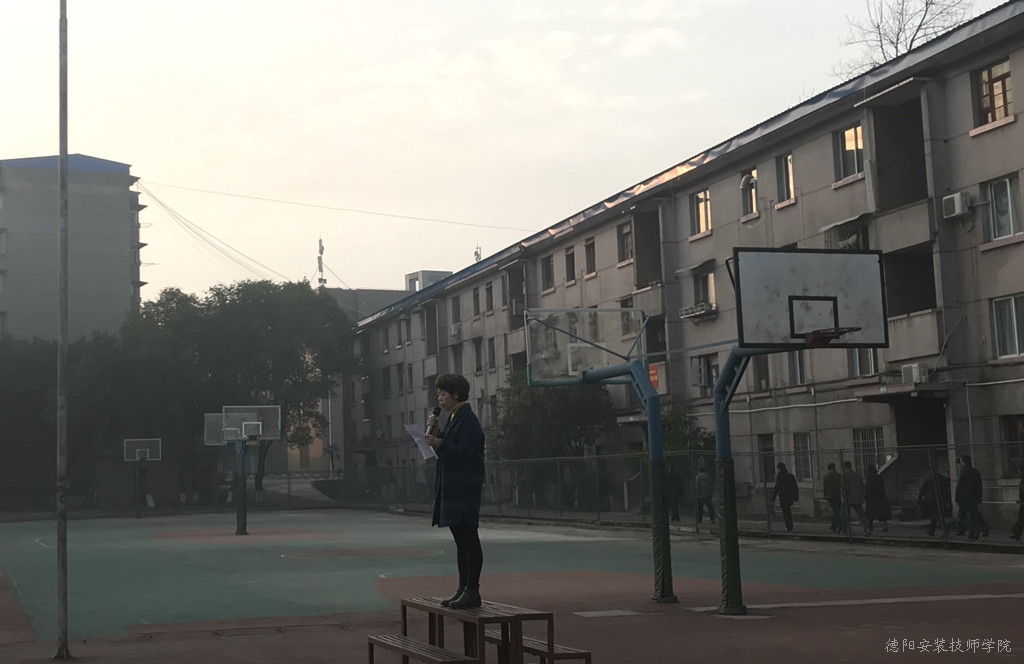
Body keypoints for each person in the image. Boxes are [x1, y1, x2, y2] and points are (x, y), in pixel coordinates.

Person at [424, 374, 486, 609]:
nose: (439, 399)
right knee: (461, 540)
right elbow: (449, 447)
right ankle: (462, 587)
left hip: (464, 487)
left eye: (443, 394)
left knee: (469, 538)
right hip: (453, 486)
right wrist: (437, 434)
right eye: (438, 394)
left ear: (456, 395)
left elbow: (466, 452)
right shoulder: (453, 418)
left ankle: (473, 590)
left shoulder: (468, 420)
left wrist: (438, 443)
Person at [955, 454, 989, 540]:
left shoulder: (963, 471)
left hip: (964, 497)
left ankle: (973, 529)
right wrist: (979, 497)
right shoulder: (975, 471)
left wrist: (957, 498)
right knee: (974, 514)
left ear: (963, 461)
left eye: (961, 461)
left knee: (962, 515)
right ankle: (978, 531)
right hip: (974, 497)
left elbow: (959, 486)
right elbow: (979, 486)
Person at [918, 466, 952, 538]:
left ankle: (945, 530)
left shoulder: (928, 478)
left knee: (937, 515)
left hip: (931, 499)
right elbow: (947, 491)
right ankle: (931, 530)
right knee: (935, 515)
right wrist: (947, 500)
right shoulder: (942, 479)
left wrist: (920, 497)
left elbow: (923, 489)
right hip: (940, 499)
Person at [770, 462, 799, 532]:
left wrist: (773, 497)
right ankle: (790, 526)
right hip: (789, 496)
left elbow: (777, 487)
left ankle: (788, 526)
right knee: (788, 511)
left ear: (779, 469)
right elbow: (795, 487)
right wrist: (796, 497)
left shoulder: (780, 476)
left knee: (785, 512)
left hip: (783, 496)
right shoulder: (791, 476)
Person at [842, 460, 869, 535]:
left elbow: (845, 488)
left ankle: (844, 530)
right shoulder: (857, 475)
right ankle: (867, 529)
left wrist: (844, 497)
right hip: (858, 498)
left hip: (849, 498)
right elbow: (862, 486)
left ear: (845, 467)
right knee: (861, 515)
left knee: (845, 514)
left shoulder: (846, 476)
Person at [864, 464, 891, 533]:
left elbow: (868, 489)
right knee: (883, 513)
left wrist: (866, 496)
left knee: (870, 513)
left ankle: (871, 526)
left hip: (872, 498)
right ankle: (885, 526)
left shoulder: (869, 479)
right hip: (881, 496)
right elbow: (882, 487)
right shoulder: (880, 478)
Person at [822, 462, 844, 533]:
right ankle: (834, 526)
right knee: (836, 511)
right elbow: (842, 485)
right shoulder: (839, 476)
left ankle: (839, 526)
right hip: (838, 495)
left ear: (828, 469)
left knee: (835, 512)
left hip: (830, 496)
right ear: (834, 467)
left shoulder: (826, 477)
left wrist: (825, 495)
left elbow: (824, 487)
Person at [1010, 465, 1024, 542]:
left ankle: (1016, 533)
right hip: (1022, 502)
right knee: (1021, 519)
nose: (1019, 473)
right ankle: (1017, 534)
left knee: (1021, 519)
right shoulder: (1022, 480)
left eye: (1019, 471)